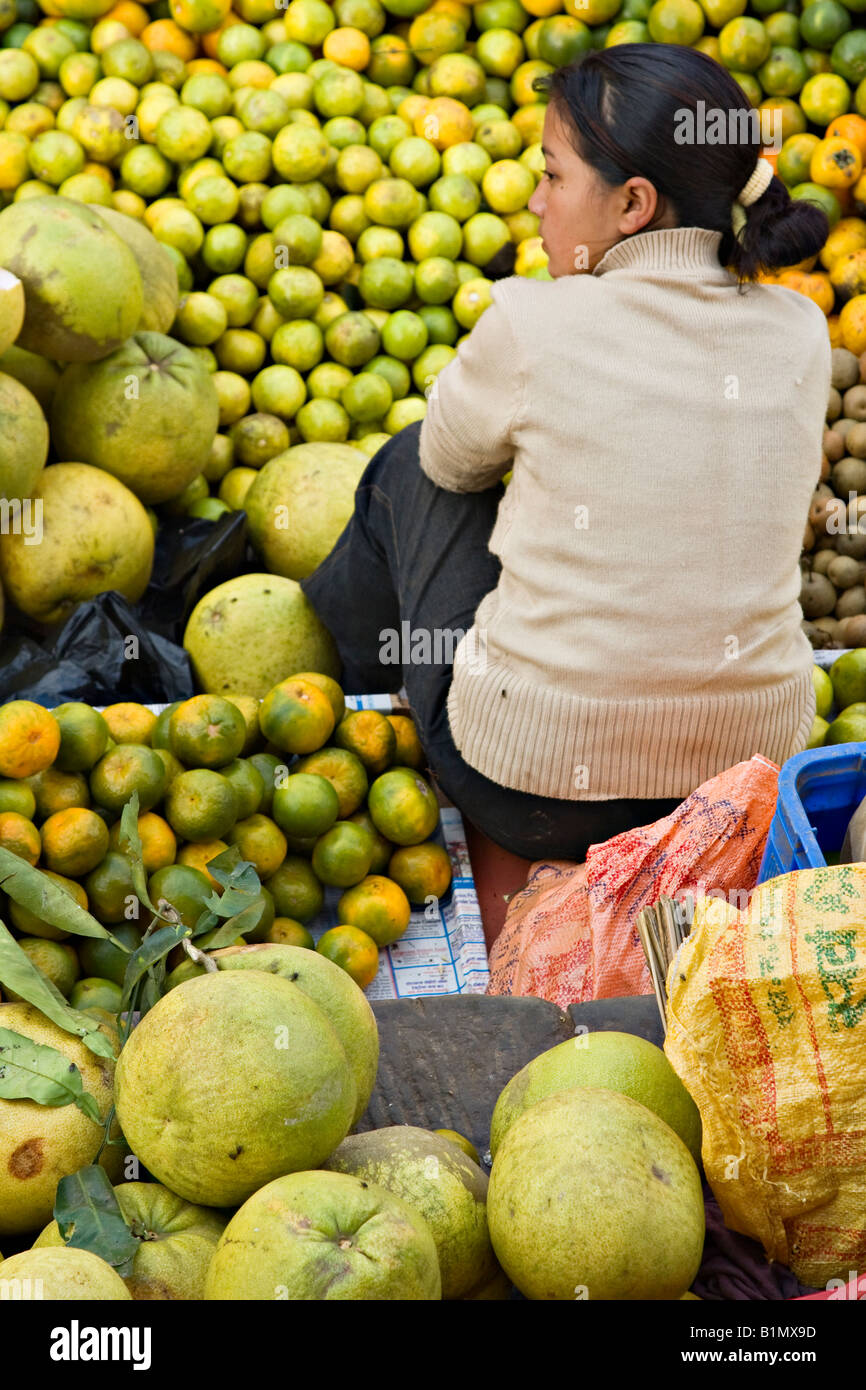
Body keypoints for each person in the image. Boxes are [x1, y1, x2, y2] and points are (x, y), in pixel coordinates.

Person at [300, 43, 831, 862]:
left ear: (633, 205)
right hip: (741, 794)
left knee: (411, 465)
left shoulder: (529, 321)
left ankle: (355, 714)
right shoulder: (802, 329)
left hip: (531, 793)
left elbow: (449, 466)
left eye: (552, 176)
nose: (538, 204)